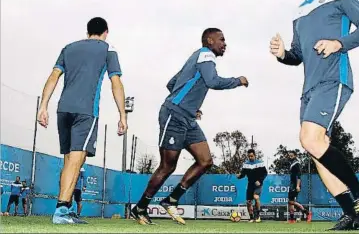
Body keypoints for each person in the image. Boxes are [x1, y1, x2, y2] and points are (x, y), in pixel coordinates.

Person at [269, 0, 359, 230]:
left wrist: (338, 43)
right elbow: (297, 55)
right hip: (309, 87)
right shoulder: (299, 12)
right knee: (315, 148)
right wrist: (283, 54)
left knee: (310, 138)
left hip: (334, 79)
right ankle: (351, 214)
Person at [131, 28, 248, 226]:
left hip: (188, 119)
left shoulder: (196, 58)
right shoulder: (205, 55)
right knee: (168, 165)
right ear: (209, 40)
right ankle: (140, 208)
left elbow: (172, 83)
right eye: (221, 39)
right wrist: (238, 81)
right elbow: (213, 81)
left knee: (205, 161)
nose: (224, 44)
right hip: (174, 115)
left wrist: (191, 106)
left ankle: (171, 200)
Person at [37, 17, 127, 224]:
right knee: (76, 161)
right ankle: (60, 210)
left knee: (69, 160)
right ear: (106, 31)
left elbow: (53, 76)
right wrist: (122, 115)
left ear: (87, 32)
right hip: (85, 111)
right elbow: (116, 82)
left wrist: (43, 107)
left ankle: (65, 208)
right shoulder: (108, 49)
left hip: (63, 110)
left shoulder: (69, 48)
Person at [237, 149, 268, 223]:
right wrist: (239, 176)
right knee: (248, 202)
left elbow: (265, 173)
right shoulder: (246, 164)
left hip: (258, 184)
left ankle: (258, 216)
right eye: (249, 156)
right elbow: (243, 174)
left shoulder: (260, 163)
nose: (250, 157)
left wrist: (260, 181)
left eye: (252, 156)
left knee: (256, 197)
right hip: (250, 185)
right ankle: (251, 218)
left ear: (255, 155)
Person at [287, 151, 311, 223]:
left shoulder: (296, 163)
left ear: (295, 156)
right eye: (289, 156)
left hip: (295, 185)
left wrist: (297, 185)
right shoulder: (292, 164)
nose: (290, 157)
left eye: (291, 156)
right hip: (292, 184)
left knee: (291, 201)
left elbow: (299, 176)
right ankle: (292, 220)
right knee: (290, 202)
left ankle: (307, 213)